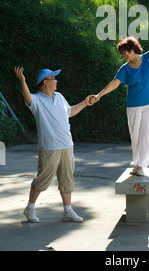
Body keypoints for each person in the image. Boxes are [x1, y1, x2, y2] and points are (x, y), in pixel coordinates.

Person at [95, 24, 149, 176]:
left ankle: (141, 166)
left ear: (133, 49)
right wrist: (99, 95)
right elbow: (115, 83)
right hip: (134, 105)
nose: (124, 55)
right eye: (121, 53)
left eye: (125, 52)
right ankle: (137, 165)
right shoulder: (124, 68)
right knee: (135, 136)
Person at [14, 66, 96, 223]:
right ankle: (30, 209)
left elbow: (69, 112)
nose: (56, 81)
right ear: (45, 82)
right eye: (54, 78)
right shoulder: (36, 100)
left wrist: (85, 103)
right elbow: (27, 97)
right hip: (49, 148)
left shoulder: (59, 97)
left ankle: (68, 211)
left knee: (67, 179)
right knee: (42, 180)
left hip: (67, 145)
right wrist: (22, 81)